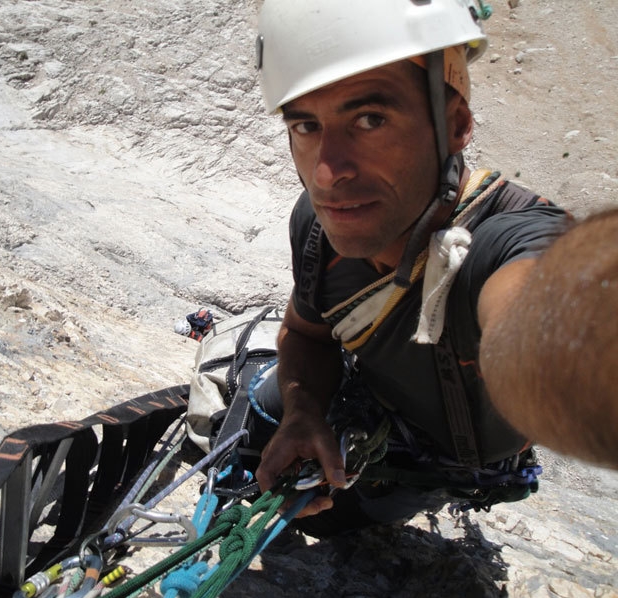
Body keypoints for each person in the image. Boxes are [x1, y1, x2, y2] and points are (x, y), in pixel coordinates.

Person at [249, 0, 618, 537]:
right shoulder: (316, 229)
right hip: (381, 430)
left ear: (457, 124)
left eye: (370, 119)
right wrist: (303, 414)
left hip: (435, 470)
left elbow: (546, 307)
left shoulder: (503, 240)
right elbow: (307, 333)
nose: (327, 174)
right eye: (306, 125)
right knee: (263, 424)